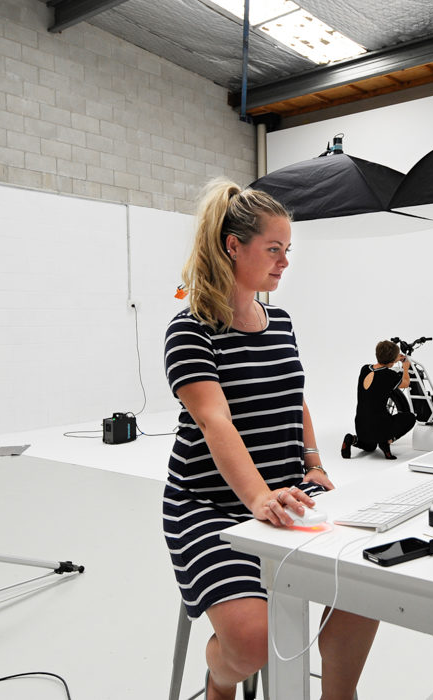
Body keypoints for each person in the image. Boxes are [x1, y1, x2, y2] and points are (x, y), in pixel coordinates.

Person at [162, 179, 378, 700]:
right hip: (209, 506)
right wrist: (258, 497)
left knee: (370, 581)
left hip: (290, 491)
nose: (284, 262)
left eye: (288, 251)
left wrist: (315, 464)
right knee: (253, 642)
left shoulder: (279, 322)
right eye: (274, 249)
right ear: (234, 246)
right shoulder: (190, 331)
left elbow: (293, 397)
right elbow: (215, 422)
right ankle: (219, 681)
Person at [341, 339, 416, 460]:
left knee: (370, 447)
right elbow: (406, 383)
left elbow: (381, 371)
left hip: (361, 426)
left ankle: (352, 439)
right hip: (380, 427)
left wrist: (393, 359)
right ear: (392, 361)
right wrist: (405, 367)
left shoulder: (365, 369)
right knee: (411, 418)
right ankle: (387, 441)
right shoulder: (389, 375)